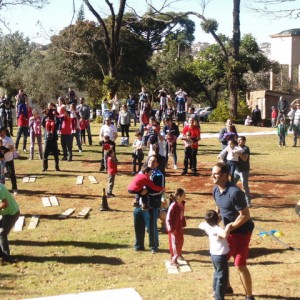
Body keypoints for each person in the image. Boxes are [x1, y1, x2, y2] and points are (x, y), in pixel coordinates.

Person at [211, 162, 255, 300]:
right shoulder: (216, 190)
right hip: (227, 233)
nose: (212, 175)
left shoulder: (235, 192)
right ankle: (227, 287)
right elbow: (219, 207)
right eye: (212, 173)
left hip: (242, 232)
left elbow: (245, 215)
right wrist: (216, 220)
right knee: (221, 260)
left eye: (216, 173)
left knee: (240, 265)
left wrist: (230, 227)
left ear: (225, 175)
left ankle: (249, 296)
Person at [199, 210, 232, 300]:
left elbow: (201, 225)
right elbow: (224, 235)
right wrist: (228, 226)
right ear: (217, 220)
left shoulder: (206, 225)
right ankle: (219, 297)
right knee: (222, 277)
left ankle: (215, 291)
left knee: (217, 273)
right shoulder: (218, 229)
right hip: (220, 256)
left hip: (213, 254)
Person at [147, 155, 165, 253]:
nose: (151, 163)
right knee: (146, 224)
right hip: (144, 202)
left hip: (154, 202)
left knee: (152, 224)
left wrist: (148, 192)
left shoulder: (159, 175)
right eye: (150, 161)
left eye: (154, 161)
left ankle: (154, 246)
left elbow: (160, 190)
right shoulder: (144, 172)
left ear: (157, 164)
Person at [165, 188, 186, 266]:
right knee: (174, 244)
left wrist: (182, 224)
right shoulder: (173, 206)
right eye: (184, 195)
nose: (185, 196)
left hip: (179, 228)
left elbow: (181, 216)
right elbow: (168, 218)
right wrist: (171, 229)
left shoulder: (181, 204)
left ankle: (178, 256)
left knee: (180, 242)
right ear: (179, 196)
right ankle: (173, 260)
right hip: (174, 229)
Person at [0, 183, 20, 263]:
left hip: (12, 213)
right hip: (5, 213)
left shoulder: (0, 189)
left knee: (2, 234)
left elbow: (5, 204)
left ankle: (6, 258)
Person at [234, 136, 252, 207]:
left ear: (244, 141)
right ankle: (234, 198)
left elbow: (244, 158)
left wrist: (238, 153)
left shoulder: (246, 148)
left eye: (240, 140)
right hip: (236, 170)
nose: (238, 142)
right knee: (232, 184)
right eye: (238, 140)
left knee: (244, 186)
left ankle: (248, 201)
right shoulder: (235, 147)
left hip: (244, 170)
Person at [0, 127, 18, 194]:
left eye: (1, 132)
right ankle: (1, 189)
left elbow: (12, 149)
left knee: (11, 173)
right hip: (1, 161)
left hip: (8, 159)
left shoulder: (8, 139)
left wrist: (5, 151)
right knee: (1, 175)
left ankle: (14, 188)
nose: (0, 134)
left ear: (4, 132)